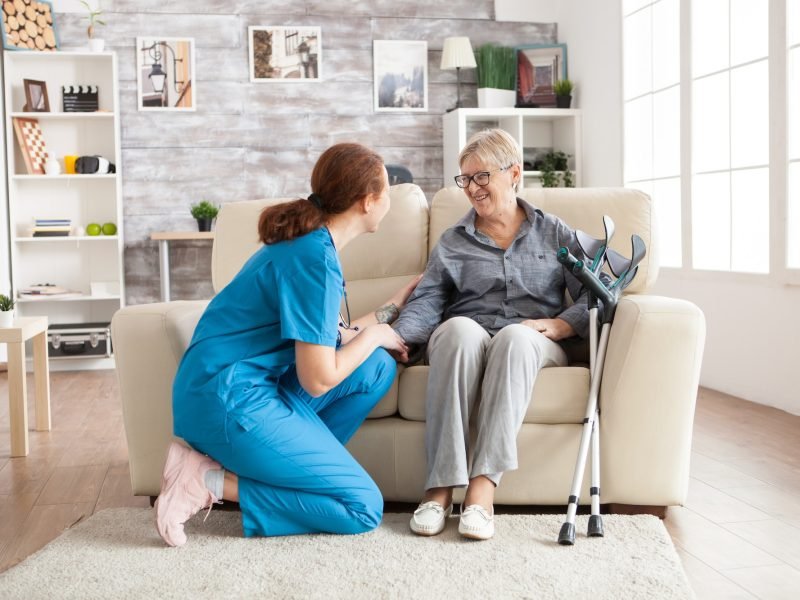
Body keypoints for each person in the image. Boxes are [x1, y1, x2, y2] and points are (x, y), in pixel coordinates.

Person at [154, 142, 420, 547]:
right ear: (368, 202)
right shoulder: (313, 260)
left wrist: (391, 310)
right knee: (362, 507)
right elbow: (318, 379)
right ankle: (205, 480)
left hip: (240, 388)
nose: (389, 198)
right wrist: (375, 336)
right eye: (387, 190)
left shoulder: (311, 244)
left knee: (377, 367)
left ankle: (293, 470)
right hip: (226, 400)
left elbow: (334, 333)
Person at [393, 128, 593, 541]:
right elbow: (428, 301)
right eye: (465, 179)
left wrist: (562, 324)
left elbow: (601, 287)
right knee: (456, 332)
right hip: (471, 334)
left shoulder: (553, 231)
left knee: (515, 337)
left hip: (533, 340)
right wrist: (399, 339)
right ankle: (439, 489)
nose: (472, 188)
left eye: (481, 177)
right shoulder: (452, 242)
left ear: (513, 173)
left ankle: (482, 490)